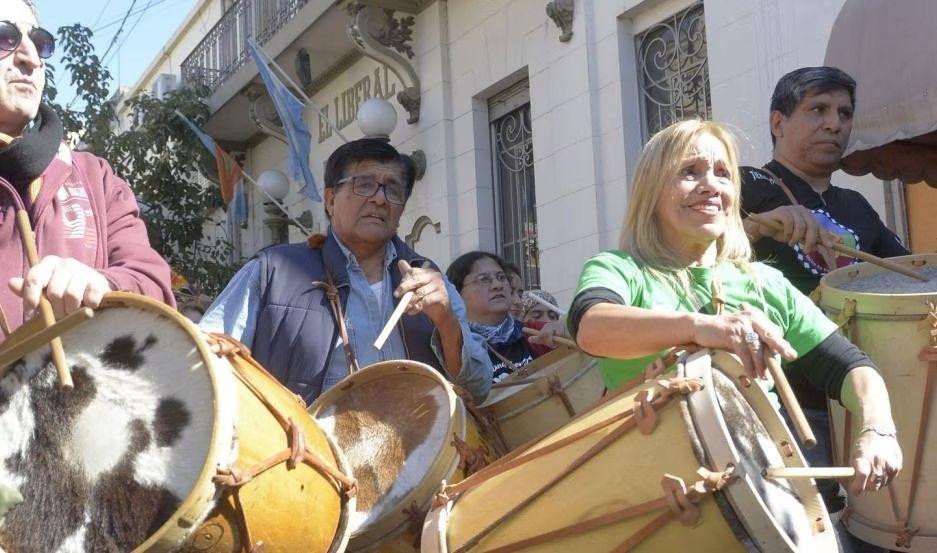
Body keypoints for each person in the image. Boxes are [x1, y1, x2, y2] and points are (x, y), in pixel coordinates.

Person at [567, 120, 901, 510]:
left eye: (722, 173)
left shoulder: (765, 282)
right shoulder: (620, 269)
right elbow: (591, 327)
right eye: (689, 172)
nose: (710, 185)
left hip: (764, 497)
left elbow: (851, 367)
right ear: (652, 191)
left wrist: (878, 429)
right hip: (646, 497)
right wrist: (702, 327)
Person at [200, 139, 492, 403]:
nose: (379, 199)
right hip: (309, 458)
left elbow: (478, 388)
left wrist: (446, 322)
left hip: (423, 456)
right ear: (329, 199)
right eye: (363, 184)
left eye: (392, 189)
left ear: (401, 209)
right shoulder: (274, 272)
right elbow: (205, 360)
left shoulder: (428, 280)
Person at [0, 0, 173, 338]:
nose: (31, 58)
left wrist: (101, 285)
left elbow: (154, 287)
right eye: (4, 37)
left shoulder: (97, 177)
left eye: (38, 42)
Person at [740, 67, 908, 297]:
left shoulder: (856, 204)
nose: (835, 124)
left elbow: (911, 272)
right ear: (778, 124)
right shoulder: (742, 183)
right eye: (818, 109)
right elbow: (691, 255)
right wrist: (753, 228)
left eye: (845, 113)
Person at [447, 251, 566, 382]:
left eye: (501, 277)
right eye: (484, 280)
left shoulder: (534, 333)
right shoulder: (453, 347)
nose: (497, 285)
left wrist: (566, 330)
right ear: (456, 294)